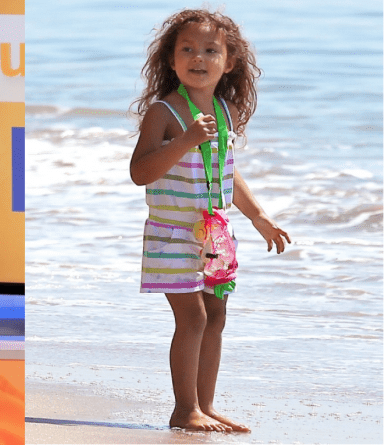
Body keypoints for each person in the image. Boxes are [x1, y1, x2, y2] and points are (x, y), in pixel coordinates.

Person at [129, 9, 290, 433]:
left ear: (230, 62)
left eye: (210, 50)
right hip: (173, 233)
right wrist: (184, 141)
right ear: (171, 60)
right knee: (193, 318)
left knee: (216, 315)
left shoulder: (226, 111)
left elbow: (228, 169)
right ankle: (184, 410)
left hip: (215, 233)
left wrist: (258, 216)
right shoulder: (164, 112)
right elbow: (140, 173)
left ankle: (205, 404)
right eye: (187, 49)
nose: (198, 57)